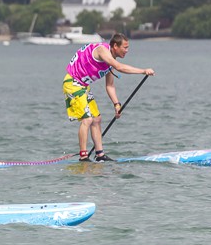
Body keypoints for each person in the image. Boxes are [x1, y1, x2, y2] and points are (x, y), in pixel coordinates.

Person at [63, 32, 154, 162]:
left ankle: (100, 155)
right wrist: (143, 71)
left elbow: (110, 86)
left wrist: (117, 104)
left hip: (83, 86)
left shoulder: (110, 61)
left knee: (97, 119)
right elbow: (120, 67)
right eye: (125, 47)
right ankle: (83, 156)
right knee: (87, 120)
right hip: (72, 83)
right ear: (115, 46)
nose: (127, 51)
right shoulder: (102, 50)